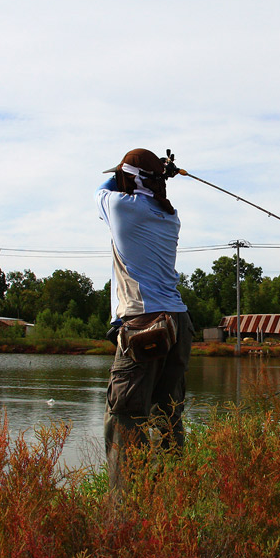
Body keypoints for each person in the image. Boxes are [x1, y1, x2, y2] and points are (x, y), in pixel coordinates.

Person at [96, 148, 194, 490]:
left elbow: (101, 190)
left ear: (131, 180)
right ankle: (173, 497)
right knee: (168, 417)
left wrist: (146, 174)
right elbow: (143, 187)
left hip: (144, 325)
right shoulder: (170, 216)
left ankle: (126, 514)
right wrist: (158, 175)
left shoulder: (122, 207)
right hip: (178, 324)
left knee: (125, 420)